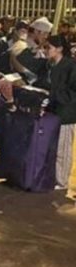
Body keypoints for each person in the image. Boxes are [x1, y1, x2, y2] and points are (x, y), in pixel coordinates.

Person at [45, 35, 76, 190]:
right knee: (55, 148)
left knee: (63, 149)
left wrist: (54, 95)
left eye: (48, 47)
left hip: (66, 114)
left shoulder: (70, 66)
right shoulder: (51, 65)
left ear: (59, 49)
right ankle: (56, 177)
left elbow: (72, 93)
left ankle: (62, 181)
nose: (45, 51)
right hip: (54, 111)